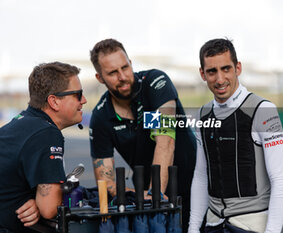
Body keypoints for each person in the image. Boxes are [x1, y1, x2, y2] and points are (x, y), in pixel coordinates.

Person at [89, 38, 196, 231]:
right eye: (113, 72)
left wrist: (154, 196)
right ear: (100, 78)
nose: (122, 76)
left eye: (125, 67)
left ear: (131, 63)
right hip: (149, 194)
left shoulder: (155, 84)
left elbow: (165, 143)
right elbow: (105, 181)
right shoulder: (101, 116)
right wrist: (136, 196)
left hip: (195, 187)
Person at [188, 38, 283, 233]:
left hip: (251, 226)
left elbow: (281, 181)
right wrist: (193, 228)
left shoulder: (264, 110)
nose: (220, 79)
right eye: (212, 71)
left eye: (226, 69)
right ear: (202, 73)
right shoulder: (202, 115)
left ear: (238, 68)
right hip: (214, 223)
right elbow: (201, 175)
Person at [0, 62, 87, 233]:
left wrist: (36, 200)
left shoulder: (20, 123)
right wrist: (44, 203)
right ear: (54, 101)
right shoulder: (46, 133)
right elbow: (49, 209)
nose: (83, 100)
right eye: (78, 94)